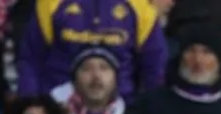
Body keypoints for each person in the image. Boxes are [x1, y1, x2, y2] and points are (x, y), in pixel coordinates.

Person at [16, 0, 167, 101]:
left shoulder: (139, 6)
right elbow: (31, 59)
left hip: (120, 108)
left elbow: (154, 67)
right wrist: (30, 104)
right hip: (58, 106)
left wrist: (146, 113)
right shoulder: (50, 3)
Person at [50, 47, 126, 114]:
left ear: (115, 80)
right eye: (87, 68)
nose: (96, 76)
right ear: (74, 81)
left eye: (104, 68)